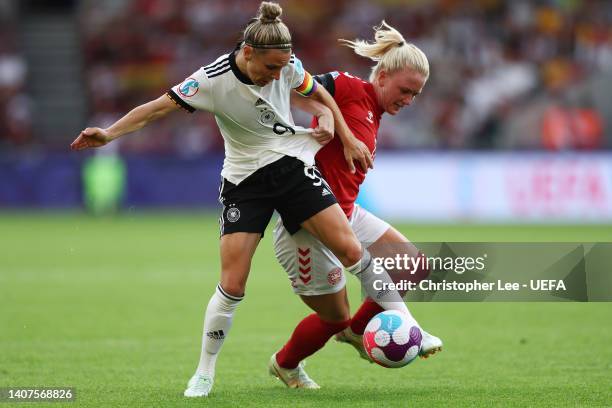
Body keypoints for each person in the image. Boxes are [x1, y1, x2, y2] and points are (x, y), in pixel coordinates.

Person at [70, 3, 411, 398]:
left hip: (291, 167)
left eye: (283, 67)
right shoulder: (210, 81)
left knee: (352, 251)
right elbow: (155, 109)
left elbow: (318, 94)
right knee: (233, 283)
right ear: (247, 53)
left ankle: (405, 319)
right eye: (270, 68)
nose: (276, 75)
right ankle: (204, 372)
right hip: (244, 182)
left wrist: (338, 129)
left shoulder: (287, 65)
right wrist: (109, 134)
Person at [268, 22, 443, 389]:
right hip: (305, 224)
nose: (409, 100)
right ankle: (285, 364)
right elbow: (294, 81)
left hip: (345, 213)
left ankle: (357, 332)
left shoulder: (374, 113)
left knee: (412, 265)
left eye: (416, 94)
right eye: (405, 90)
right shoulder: (347, 87)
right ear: (382, 77)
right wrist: (328, 115)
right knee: (334, 316)